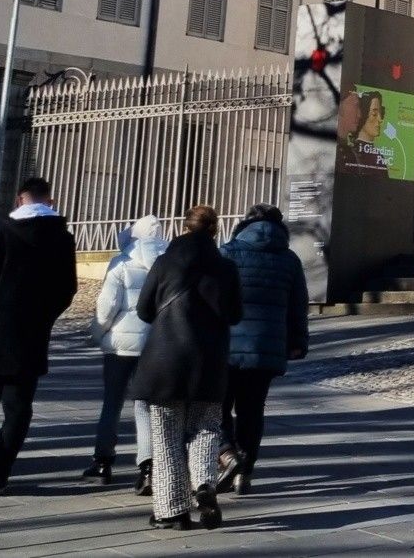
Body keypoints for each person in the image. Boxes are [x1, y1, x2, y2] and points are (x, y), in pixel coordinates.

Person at [0, 175, 78, 495]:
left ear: (18, 200)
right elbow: (66, 289)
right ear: (49, 201)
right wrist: (44, 318)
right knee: (19, 404)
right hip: (32, 332)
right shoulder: (62, 238)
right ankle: (2, 470)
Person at [130, 205, 241, 530]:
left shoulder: (165, 263)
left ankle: (172, 511)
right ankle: (204, 483)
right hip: (209, 362)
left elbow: (144, 309)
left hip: (165, 363)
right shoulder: (226, 268)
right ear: (215, 231)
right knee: (206, 427)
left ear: (184, 227)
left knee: (166, 438)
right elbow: (235, 315)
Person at [216, 205, 309, 494]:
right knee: (252, 410)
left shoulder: (228, 252)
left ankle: (228, 455)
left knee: (217, 406)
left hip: (227, 345)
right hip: (266, 347)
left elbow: (214, 298)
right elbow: (298, 306)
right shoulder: (290, 259)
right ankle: (247, 469)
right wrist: (297, 343)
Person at [83, 215, 168, 491]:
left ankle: (102, 462)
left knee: (112, 403)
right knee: (145, 405)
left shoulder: (121, 262)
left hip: (121, 344)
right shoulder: (168, 263)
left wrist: (98, 334)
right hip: (155, 345)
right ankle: (148, 467)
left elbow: (107, 307)